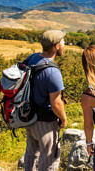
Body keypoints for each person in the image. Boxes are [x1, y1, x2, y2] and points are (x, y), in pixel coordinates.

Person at [24, 30, 68, 171]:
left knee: (31, 152)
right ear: (56, 46)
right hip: (45, 122)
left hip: (29, 116)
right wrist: (63, 119)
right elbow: (56, 103)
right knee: (49, 158)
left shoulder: (32, 58)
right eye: (62, 42)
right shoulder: (52, 72)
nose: (64, 44)